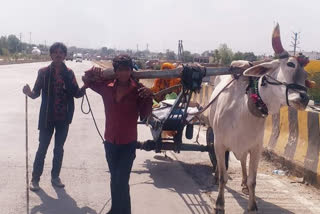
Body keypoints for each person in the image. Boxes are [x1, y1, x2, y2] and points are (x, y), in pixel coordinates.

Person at [82, 54, 153, 214]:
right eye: (120, 70)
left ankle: (125, 211)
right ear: (115, 71)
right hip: (110, 142)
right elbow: (87, 81)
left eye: (127, 70)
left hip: (128, 144)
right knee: (115, 179)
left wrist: (148, 96)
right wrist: (91, 71)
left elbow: (145, 115)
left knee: (122, 179)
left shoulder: (138, 90)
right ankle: (115, 209)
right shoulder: (106, 87)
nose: (124, 73)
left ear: (131, 70)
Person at [22, 42, 86, 191]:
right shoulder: (43, 72)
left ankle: (55, 177)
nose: (58, 55)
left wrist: (87, 85)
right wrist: (28, 92)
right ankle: (35, 179)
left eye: (61, 52)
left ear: (65, 55)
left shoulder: (69, 73)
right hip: (47, 118)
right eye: (55, 52)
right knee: (42, 149)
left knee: (59, 149)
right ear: (51, 55)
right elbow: (36, 94)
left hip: (64, 118)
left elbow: (76, 94)